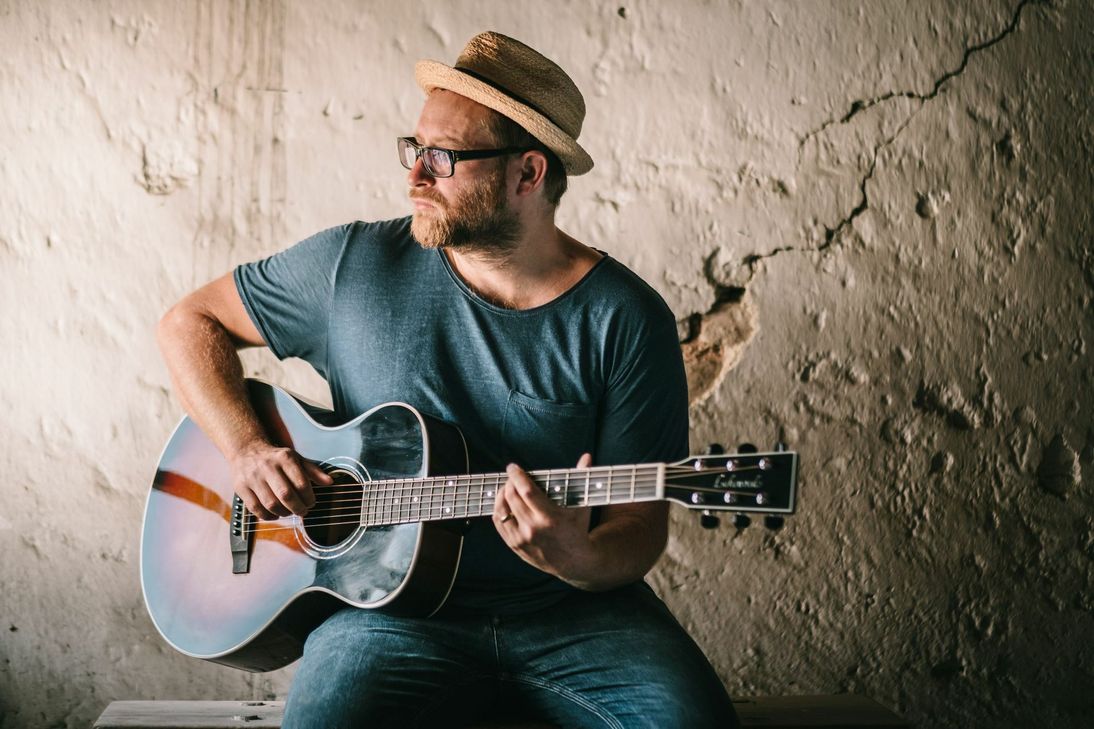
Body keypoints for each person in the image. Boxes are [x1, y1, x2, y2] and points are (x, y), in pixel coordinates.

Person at [157, 30, 738, 729]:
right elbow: (189, 324)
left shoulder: (625, 317)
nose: (415, 177)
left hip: (577, 618)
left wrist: (580, 556)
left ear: (527, 174)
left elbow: (640, 526)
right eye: (415, 148)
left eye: (444, 157)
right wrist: (246, 446)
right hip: (386, 616)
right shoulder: (353, 266)